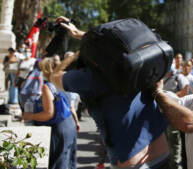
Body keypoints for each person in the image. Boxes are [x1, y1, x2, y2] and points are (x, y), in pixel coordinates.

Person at [50, 16, 169, 168]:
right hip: (162, 151)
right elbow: (117, 47)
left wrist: (77, 53)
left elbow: (54, 77)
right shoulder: (139, 66)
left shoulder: (89, 77)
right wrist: (81, 35)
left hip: (133, 164)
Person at [23, 57, 77, 169]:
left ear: (45, 71)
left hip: (60, 128)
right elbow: (71, 106)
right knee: (67, 161)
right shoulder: (63, 82)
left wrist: (29, 116)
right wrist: (76, 122)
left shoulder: (47, 87)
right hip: (69, 124)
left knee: (58, 163)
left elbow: (49, 114)